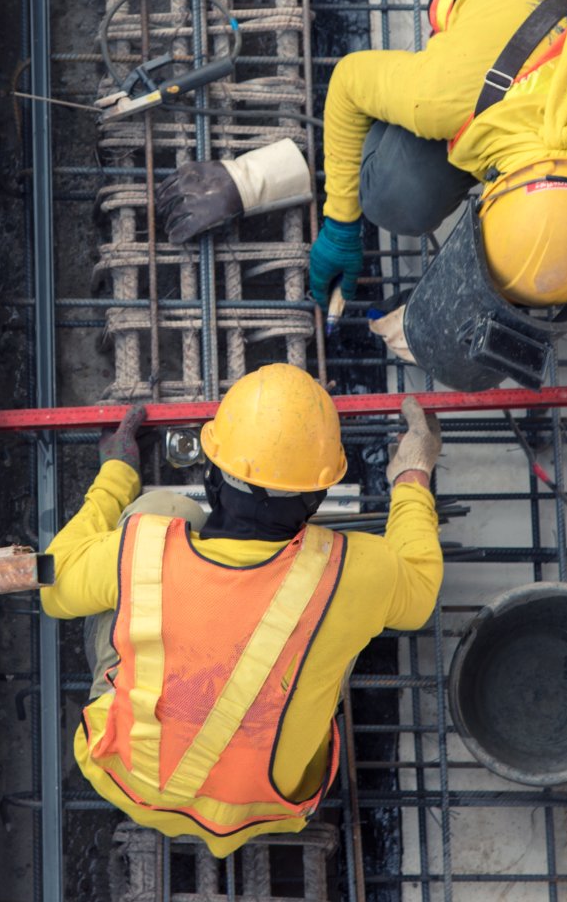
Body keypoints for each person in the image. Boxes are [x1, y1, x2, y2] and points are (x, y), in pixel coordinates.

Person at [155, 0, 567, 377]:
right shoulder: (446, 94)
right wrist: (341, 222)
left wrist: (444, 317)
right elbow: (348, 84)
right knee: (392, 197)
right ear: (492, 193)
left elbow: (551, 257)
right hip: (519, 18)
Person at [39, 363, 444, 857]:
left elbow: (54, 588)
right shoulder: (356, 570)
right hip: (268, 807)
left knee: (161, 511)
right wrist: (412, 474)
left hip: (127, 778)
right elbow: (420, 592)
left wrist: (116, 473)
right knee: (340, 617)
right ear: (318, 498)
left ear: (212, 479)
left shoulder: (144, 548)